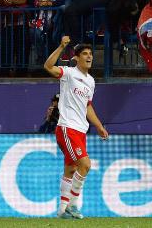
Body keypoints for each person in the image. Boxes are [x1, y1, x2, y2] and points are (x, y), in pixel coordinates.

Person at [44, 36, 109, 219]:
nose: (89, 57)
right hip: (67, 128)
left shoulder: (91, 81)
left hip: (81, 130)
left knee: (71, 170)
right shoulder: (69, 73)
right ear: (76, 58)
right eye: (85, 54)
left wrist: (99, 126)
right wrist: (61, 46)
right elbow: (48, 67)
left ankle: (62, 211)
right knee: (85, 164)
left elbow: (87, 106)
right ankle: (73, 206)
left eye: (90, 54)